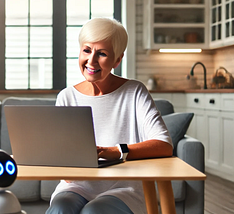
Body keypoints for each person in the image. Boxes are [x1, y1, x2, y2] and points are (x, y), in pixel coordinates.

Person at [46, 17, 173, 214]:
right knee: (61, 208)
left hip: (124, 189)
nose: (91, 61)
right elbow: (58, 151)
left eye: (102, 54)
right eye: (86, 50)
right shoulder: (67, 96)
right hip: (76, 187)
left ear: (117, 60)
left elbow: (164, 145)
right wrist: (64, 168)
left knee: (94, 212)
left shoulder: (135, 92)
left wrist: (116, 151)